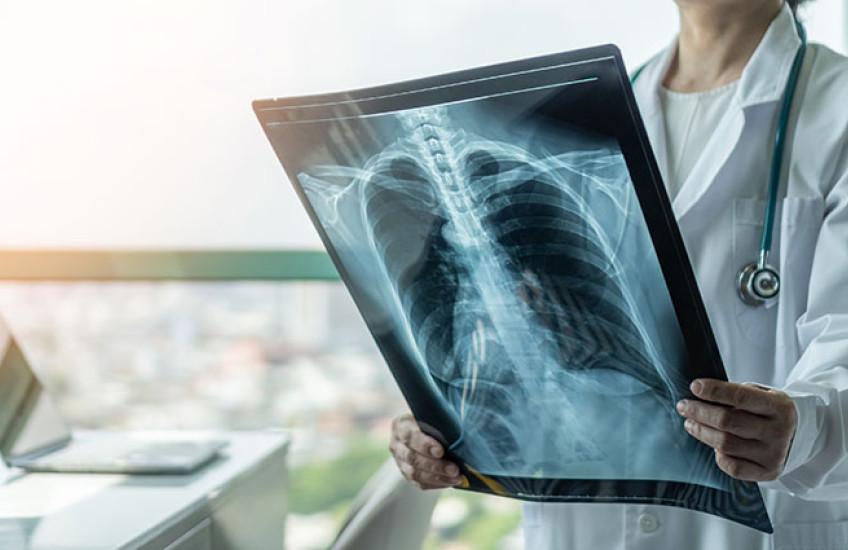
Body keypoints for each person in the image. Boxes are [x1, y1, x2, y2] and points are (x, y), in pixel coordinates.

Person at [388, 0, 848, 547]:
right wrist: (443, 423)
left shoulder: (837, 110)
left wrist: (805, 430)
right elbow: (536, 342)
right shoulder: (582, 120)